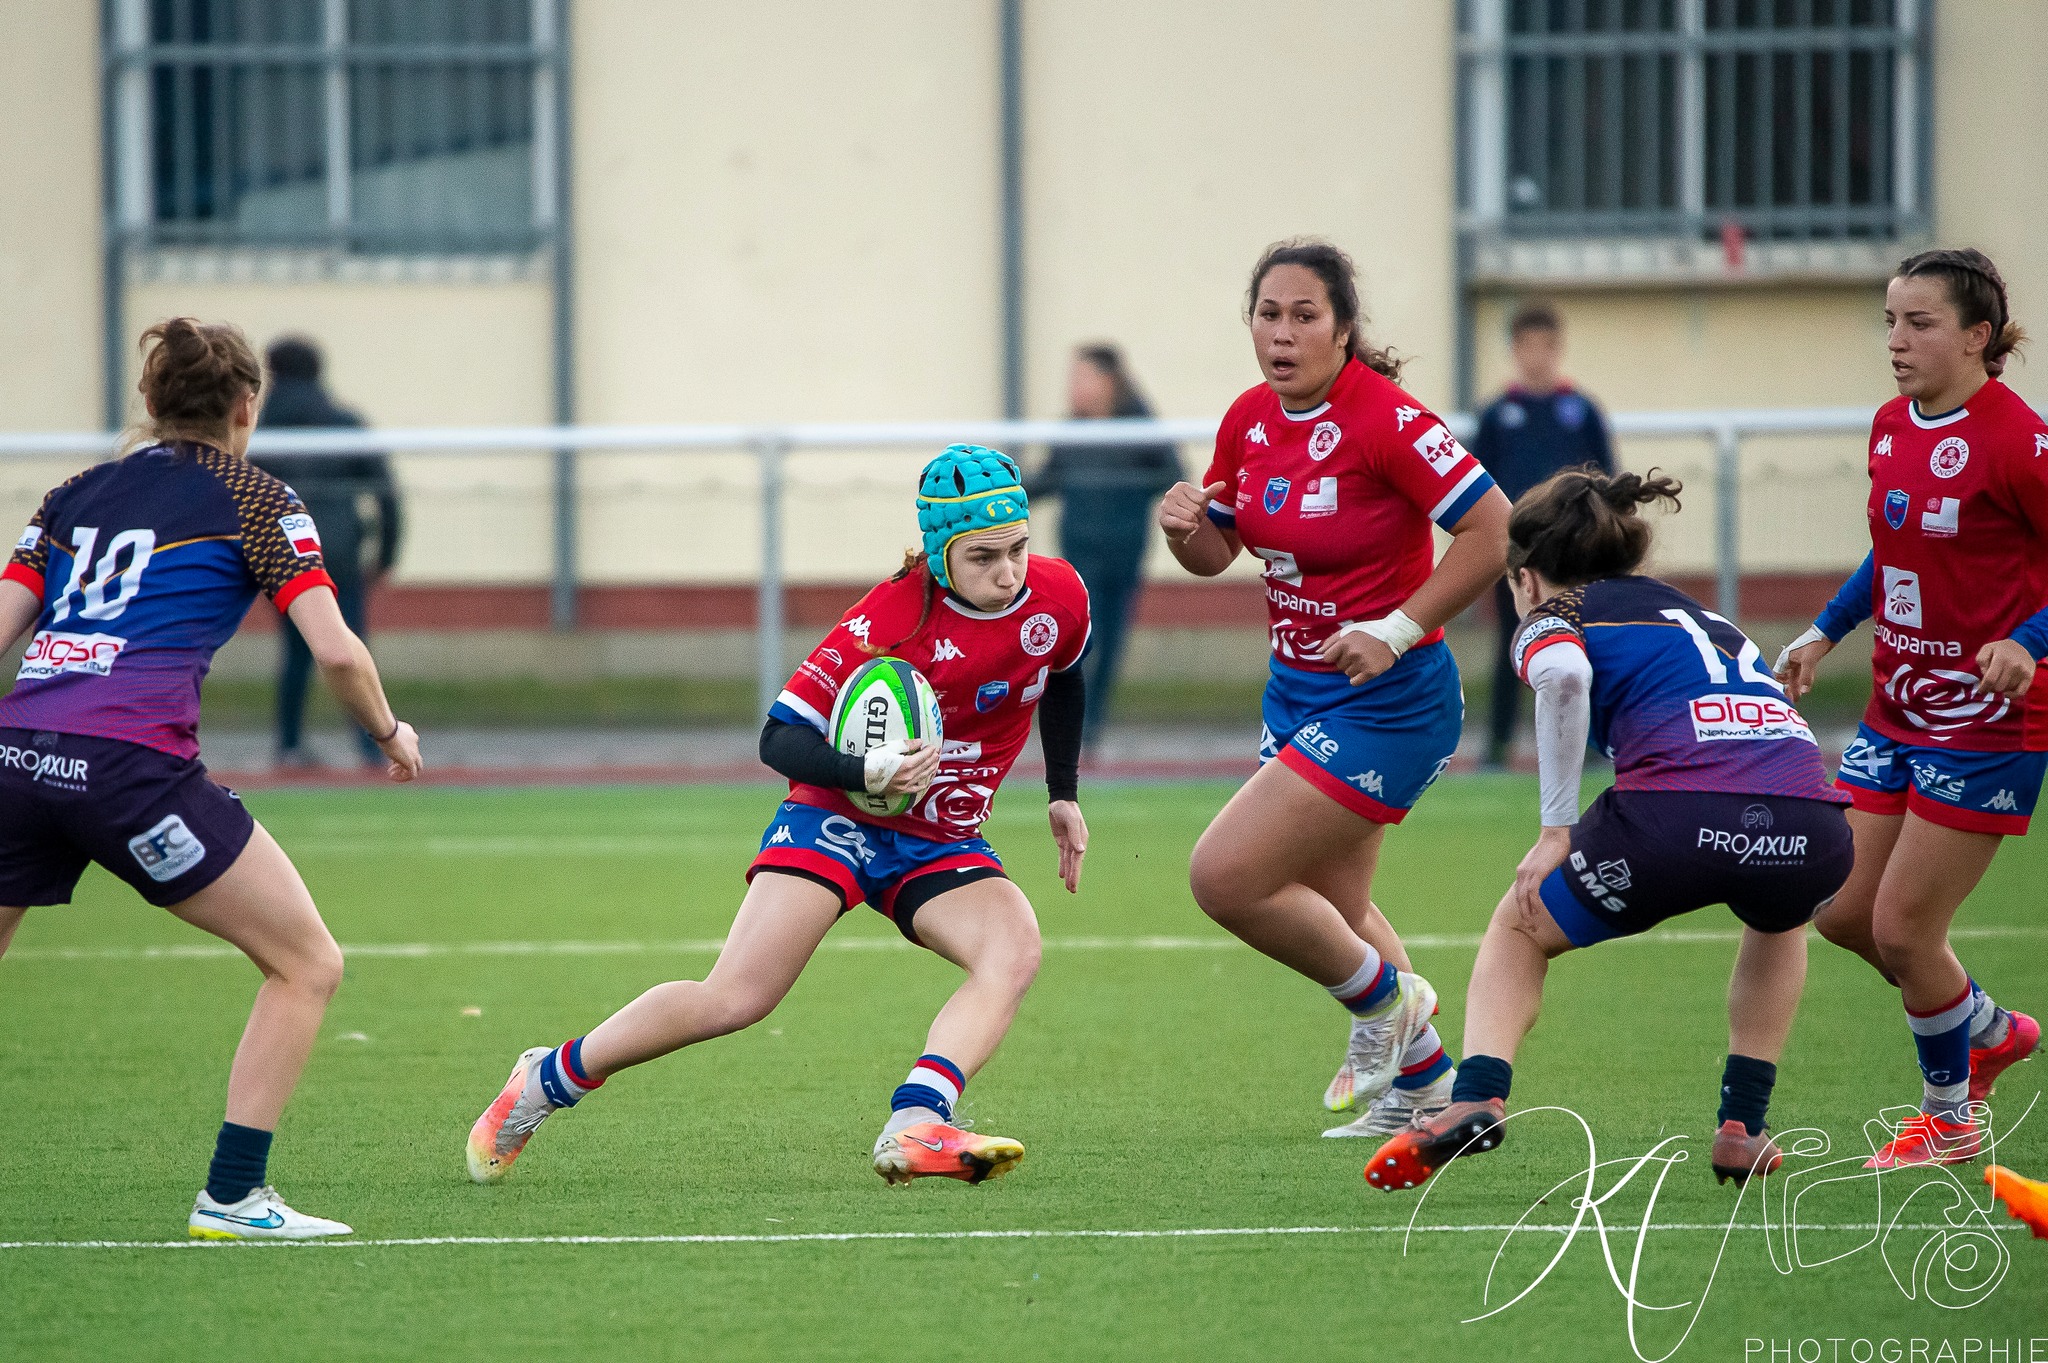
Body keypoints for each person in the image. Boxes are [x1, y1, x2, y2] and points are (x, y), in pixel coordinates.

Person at [466, 445, 1091, 1187]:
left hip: (940, 836)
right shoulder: (886, 619)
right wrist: (867, 771)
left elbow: (1063, 674)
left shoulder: (1057, 596)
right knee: (735, 997)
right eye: (983, 556)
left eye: (1019, 548)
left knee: (1014, 947)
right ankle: (546, 1079)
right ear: (936, 553)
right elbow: (779, 736)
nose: (1009, 571)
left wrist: (1061, 790)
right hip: (837, 818)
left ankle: (918, 1120)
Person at [0, 318, 423, 1239]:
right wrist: (388, 732)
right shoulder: (256, 498)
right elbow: (336, 653)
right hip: (129, 770)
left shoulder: (71, 495)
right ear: (244, 406)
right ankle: (233, 1196)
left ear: (149, 403)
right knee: (305, 963)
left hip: (16, 754)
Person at [1361, 469, 1852, 1192]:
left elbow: (1561, 679)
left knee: (1520, 925)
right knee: (1778, 924)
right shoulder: (1698, 612)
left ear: (1525, 577)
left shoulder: (1557, 614)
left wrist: (1556, 830)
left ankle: (1476, 1095)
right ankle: (1742, 1125)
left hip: (1676, 817)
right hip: (1814, 825)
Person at [1157, 239, 1511, 1138]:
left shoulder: (1385, 418)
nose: (1283, 333)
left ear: (1345, 328)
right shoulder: (1249, 418)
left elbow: (1492, 530)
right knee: (1339, 910)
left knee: (1224, 875)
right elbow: (1216, 554)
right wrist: (1183, 529)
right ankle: (1429, 1082)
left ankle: (1387, 1007)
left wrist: (1395, 631)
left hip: (1393, 703)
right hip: (1299, 695)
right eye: (1268, 314)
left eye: (1304, 315)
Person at [1777, 247, 2045, 1170]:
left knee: (1904, 928)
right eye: (1890, 320)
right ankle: (1991, 1026)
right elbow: (1887, 551)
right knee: (1844, 915)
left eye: (1919, 322)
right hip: (1897, 707)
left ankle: (1949, 1117)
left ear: (1979, 337)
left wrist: (2028, 641)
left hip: (1987, 722)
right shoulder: (1892, 426)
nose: (1896, 340)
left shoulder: (2019, 441)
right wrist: (1823, 631)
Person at [1469, 303, 1615, 770]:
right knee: (1513, 642)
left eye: (1545, 346)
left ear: (1557, 348)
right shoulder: (1497, 414)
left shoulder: (1582, 410)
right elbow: (1478, 485)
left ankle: (1593, 743)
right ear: (1515, 350)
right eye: (1526, 346)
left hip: (1574, 551)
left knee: (1584, 643)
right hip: (1517, 551)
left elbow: (1605, 480)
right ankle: (1497, 747)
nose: (1536, 356)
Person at [249, 337, 400, 769]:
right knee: (350, 645)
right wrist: (386, 554)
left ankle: (290, 744)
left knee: (297, 652)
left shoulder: (261, 429)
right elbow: (385, 492)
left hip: (278, 556)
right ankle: (373, 744)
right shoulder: (343, 422)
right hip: (340, 553)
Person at [1025, 344, 1183, 747]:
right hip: (1078, 555)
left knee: (1110, 638)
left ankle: (1091, 723)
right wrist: (1004, 490)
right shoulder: (1071, 432)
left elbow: (1173, 474)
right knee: (1078, 639)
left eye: (1082, 378)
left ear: (1107, 381)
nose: (1073, 388)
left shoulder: (1138, 426)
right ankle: (1070, 721)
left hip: (1124, 552)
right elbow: (1046, 479)